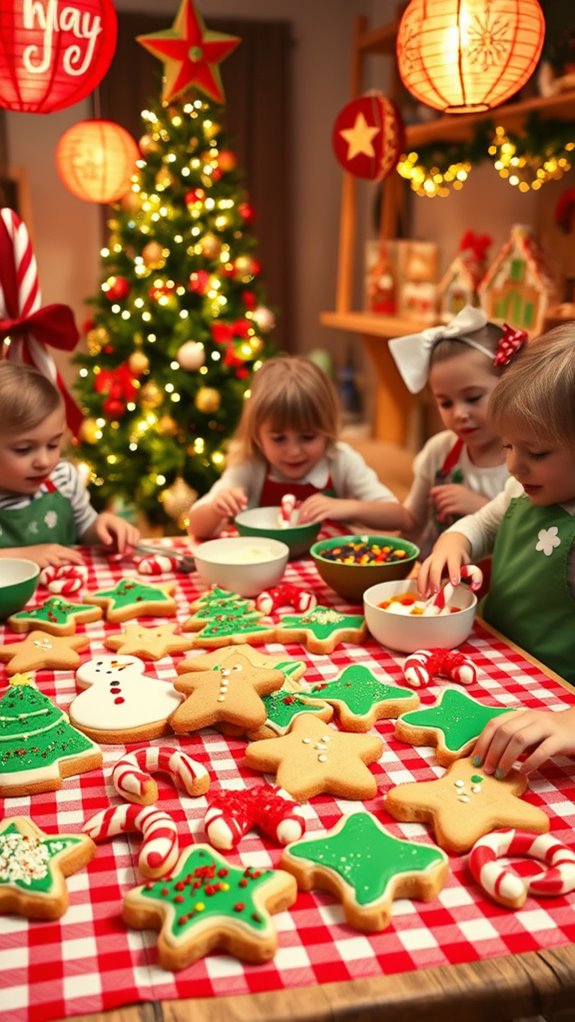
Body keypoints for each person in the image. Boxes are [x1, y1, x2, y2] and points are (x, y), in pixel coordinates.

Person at [417, 323, 575, 773]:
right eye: (507, 445)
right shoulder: (520, 489)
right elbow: (483, 521)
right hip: (498, 663)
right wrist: (454, 539)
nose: (514, 464)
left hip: (552, 700)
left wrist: (570, 723)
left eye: (537, 452)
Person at [187, 354, 412, 540]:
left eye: (307, 437)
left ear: (327, 428)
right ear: (257, 435)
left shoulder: (340, 460)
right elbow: (197, 527)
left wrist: (347, 507)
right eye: (278, 438)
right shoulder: (251, 463)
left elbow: (398, 517)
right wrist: (217, 508)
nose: (294, 451)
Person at [389, 305, 511, 560]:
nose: (459, 413)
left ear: (510, 384)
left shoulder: (525, 462)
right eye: (445, 403)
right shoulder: (439, 451)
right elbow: (412, 522)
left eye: (473, 397)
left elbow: (534, 541)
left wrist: (480, 509)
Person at [0, 362, 139, 568]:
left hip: (68, 596)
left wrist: (101, 527)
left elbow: (86, 529)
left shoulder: (62, 478)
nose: (44, 462)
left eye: (53, 444)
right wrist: (25, 556)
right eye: (23, 449)